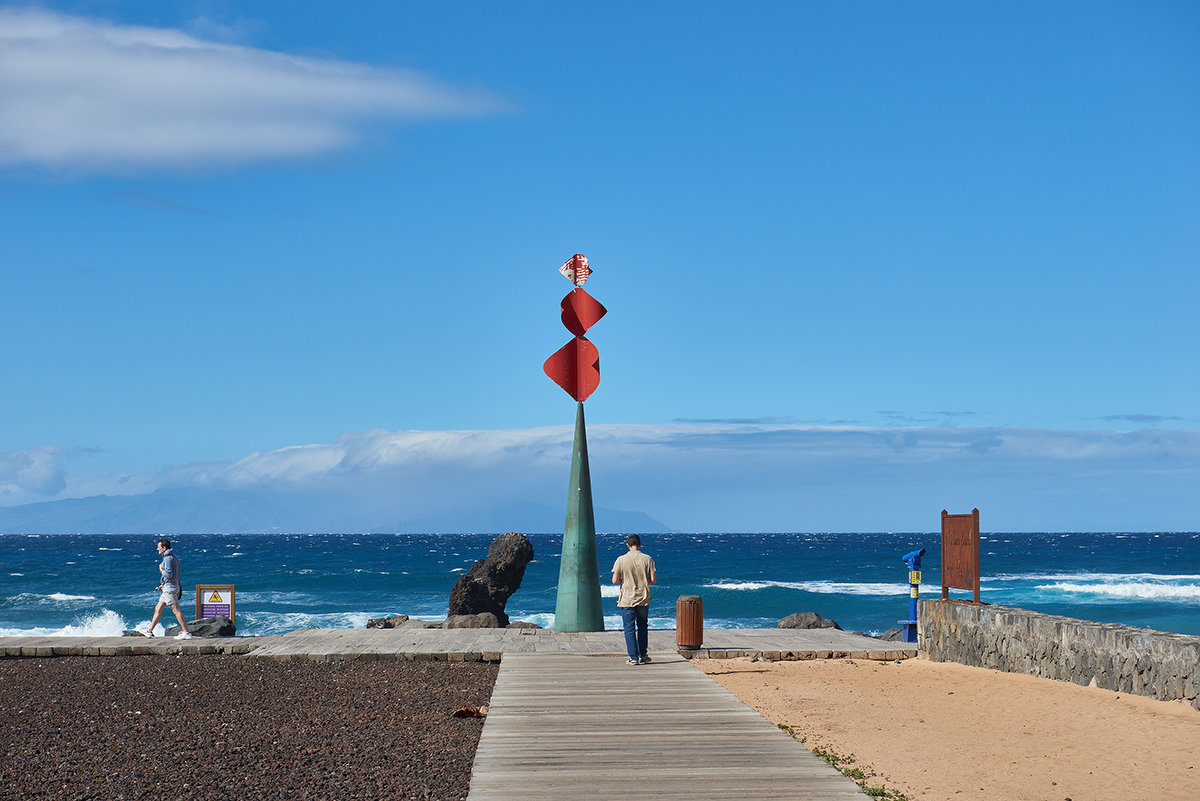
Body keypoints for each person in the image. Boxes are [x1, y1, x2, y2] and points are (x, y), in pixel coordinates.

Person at [611, 534, 656, 665]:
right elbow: (653, 580)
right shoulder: (648, 559)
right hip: (643, 597)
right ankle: (643, 654)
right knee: (642, 625)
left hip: (627, 598)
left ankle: (633, 657)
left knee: (629, 628)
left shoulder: (621, 559)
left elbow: (614, 580)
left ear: (628, 545)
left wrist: (624, 580)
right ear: (640, 544)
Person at [148, 538, 192, 639]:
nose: (157, 549)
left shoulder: (168, 558)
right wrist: (163, 584)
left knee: (176, 610)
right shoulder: (173, 557)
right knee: (158, 608)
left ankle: (186, 632)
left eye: (158, 547)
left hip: (170, 589)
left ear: (164, 548)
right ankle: (149, 630)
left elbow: (168, 574)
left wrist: (160, 569)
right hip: (168, 587)